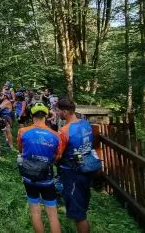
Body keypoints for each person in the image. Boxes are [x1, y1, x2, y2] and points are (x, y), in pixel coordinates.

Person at [17, 102, 63, 233]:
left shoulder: (23, 131)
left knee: (35, 212)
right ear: (46, 115)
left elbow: (21, 149)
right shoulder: (56, 135)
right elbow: (57, 156)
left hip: (29, 176)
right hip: (46, 177)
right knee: (53, 216)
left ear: (32, 116)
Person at [57, 98, 94, 233]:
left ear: (65, 112)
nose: (57, 113)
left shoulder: (64, 131)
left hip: (72, 173)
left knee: (79, 214)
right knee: (82, 205)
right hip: (87, 169)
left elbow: (58, 154)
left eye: (58, 110)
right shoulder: (85, 124)